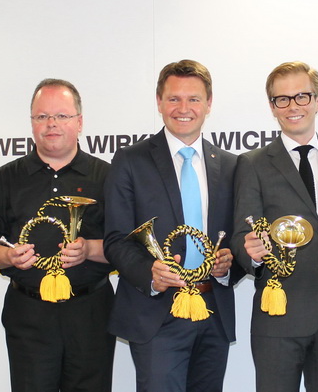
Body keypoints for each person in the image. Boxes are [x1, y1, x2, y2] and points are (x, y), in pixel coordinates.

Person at [104, 59, 242, 392]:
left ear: (209, 103)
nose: (183, 108)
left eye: (194, 99)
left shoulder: (231, 165)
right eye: (174, 99)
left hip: (213, 310)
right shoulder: (130, 160)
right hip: (156, 314)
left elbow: (238, 239)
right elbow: (116, 239)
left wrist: (229, 266)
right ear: (159, 102)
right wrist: (149, 273)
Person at [0, 79, 115, 391]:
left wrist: (89, 249)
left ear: (79, 122)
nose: (52, 124)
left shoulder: (107, 176)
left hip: (91, 313)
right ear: (32, 123)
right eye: (42, 116)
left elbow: (125, 248)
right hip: (28, 315)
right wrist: (8, 256)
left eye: (62, 116)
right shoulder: (6, 178)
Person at [232, 61, 318, 392]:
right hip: (279, 313)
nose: (293, 106)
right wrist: (252, 254)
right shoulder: (252, 163)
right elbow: (240, 236)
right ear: (272, 106)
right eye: (282, 99)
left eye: (302, 96)